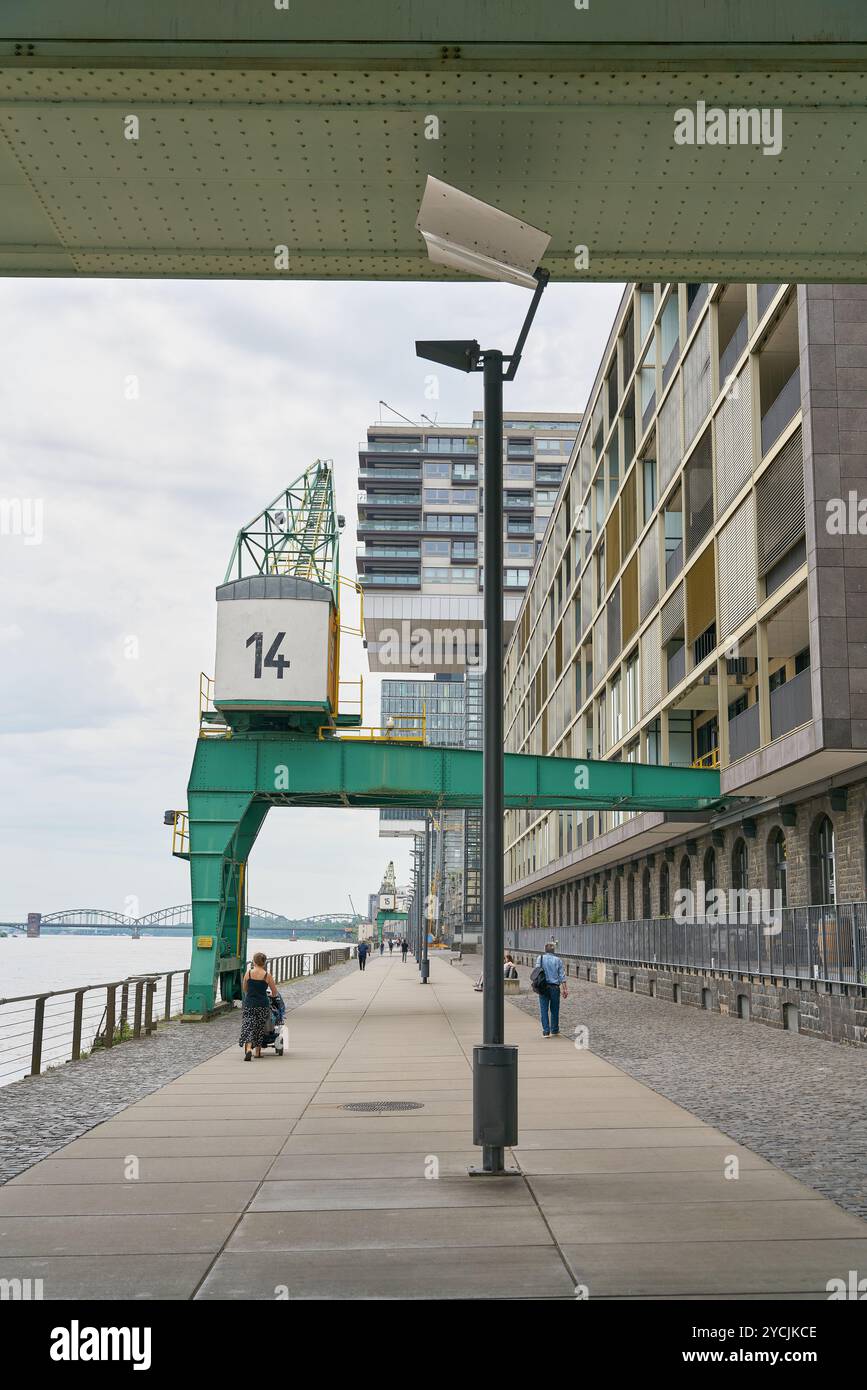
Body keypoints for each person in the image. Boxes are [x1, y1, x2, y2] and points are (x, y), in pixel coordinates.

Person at [239, 952, 279, 1060]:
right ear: (264, 962)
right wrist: (271, 995)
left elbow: (245, 989)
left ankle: (248, 1049)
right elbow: (274, 992)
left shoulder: (249, 973)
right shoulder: (267, 975)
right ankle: (257, 1052)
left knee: (248, 1026)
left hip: (250, 1004)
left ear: (254, 961)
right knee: (259, 1028)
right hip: (262, 1004)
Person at [535, 941, 568, 1037]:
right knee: (555, 1009)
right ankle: (554, 1030)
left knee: (543, 1009)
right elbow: (562, 976)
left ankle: (546, 1031)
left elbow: (537, 972)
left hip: (543, 986)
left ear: (545, 950)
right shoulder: (558, 960)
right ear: (554, 950)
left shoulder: (540, 958)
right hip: (554, 987)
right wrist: (565, 989)